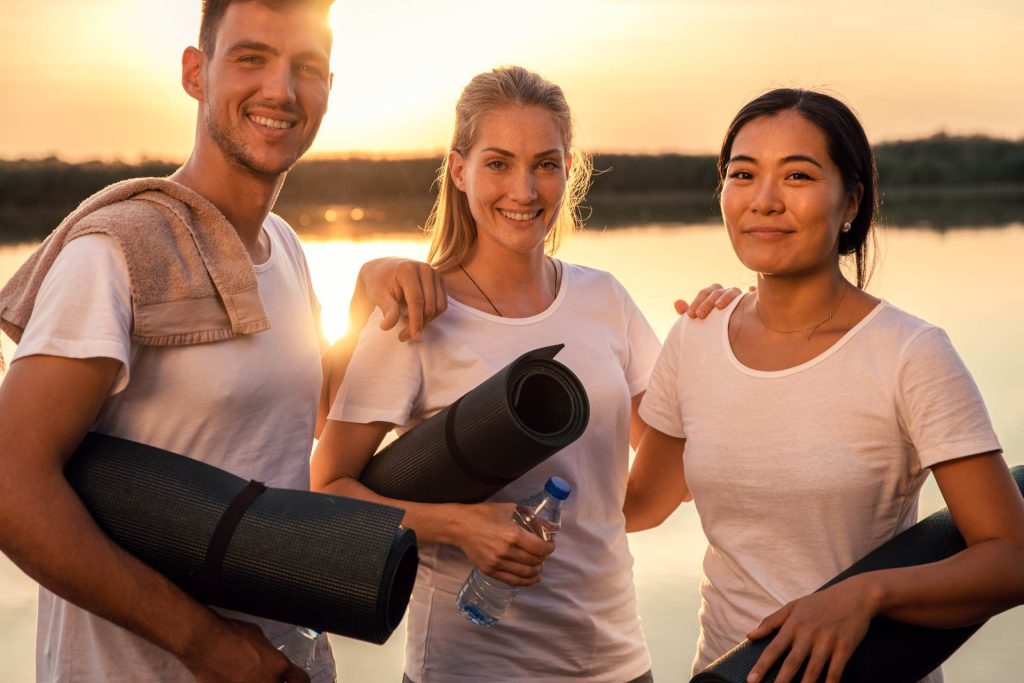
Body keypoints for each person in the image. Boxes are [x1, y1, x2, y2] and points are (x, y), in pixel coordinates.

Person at [0, 2, 442, 681]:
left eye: (307, 68)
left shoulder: (285, 246)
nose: (281, 91)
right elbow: (10, 484)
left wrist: (361, 301)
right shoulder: (116, 255)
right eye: (251, 58)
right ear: (195, 72)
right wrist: (207, 643)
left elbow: (293, 418)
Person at [624, 88, 1024, 683]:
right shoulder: (695, 338)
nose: (764, 200)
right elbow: (641, 505)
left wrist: (864, 595)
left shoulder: (910, 353)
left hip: (869, 671)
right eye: (743, 174)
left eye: (798, 176)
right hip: (729, 671)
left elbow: (1011, 558)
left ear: (850, 203)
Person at [312, 65, 669, 683]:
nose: (525, 190)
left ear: (568, 170)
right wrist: (460, 526)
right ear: (459, 170)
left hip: (617, 663)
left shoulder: (606, 299)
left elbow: (662, 482)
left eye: (546, 164)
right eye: (499, 163)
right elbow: (327, 493)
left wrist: (722, 328)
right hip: (468, 667)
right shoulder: (415, 318)